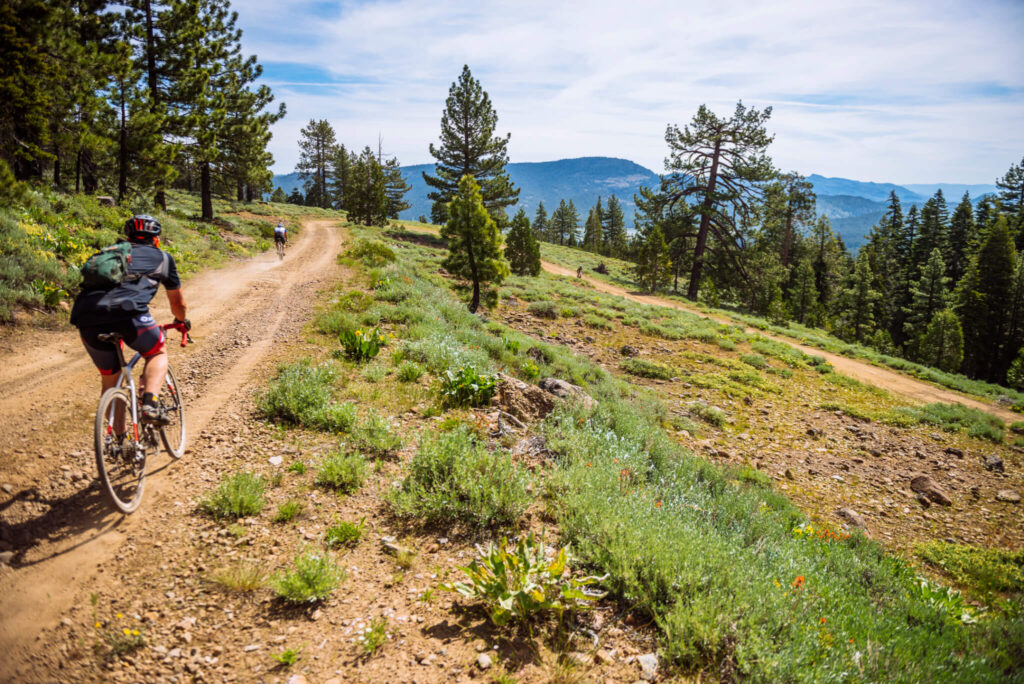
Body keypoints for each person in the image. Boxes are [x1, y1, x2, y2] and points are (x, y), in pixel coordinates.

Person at [71, 215, 189, 425]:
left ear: (128, 237)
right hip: (130, 316)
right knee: (157, 352)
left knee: (111, 379)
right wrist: (181, 321)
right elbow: (177, 303)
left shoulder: (110, 253)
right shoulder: (163, 258)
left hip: (85, 316)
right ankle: (150, 404)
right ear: (157, 239)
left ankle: (117, 440)